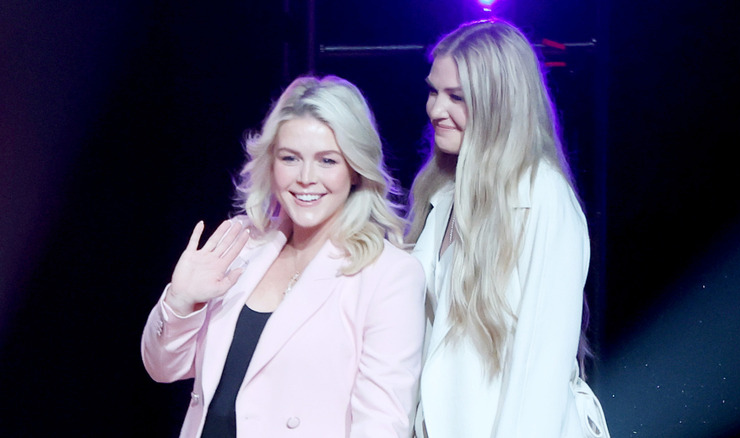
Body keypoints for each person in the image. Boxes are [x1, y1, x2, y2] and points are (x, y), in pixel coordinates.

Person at [141, 75, 425, 438]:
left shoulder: (389, 274)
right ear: (271, 163)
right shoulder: (242, 245)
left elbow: (382, 425)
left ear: (355, 170)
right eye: (290, 158)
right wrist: (181, 301)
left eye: (327, 160)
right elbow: (163, 369)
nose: (307, 177)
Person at [407, 20, 610, 437]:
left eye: (456, 97)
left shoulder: (542, 196)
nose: (435, 109)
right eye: (433, 91)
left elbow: (543, 362)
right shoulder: (442, 196)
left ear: (498, 103)